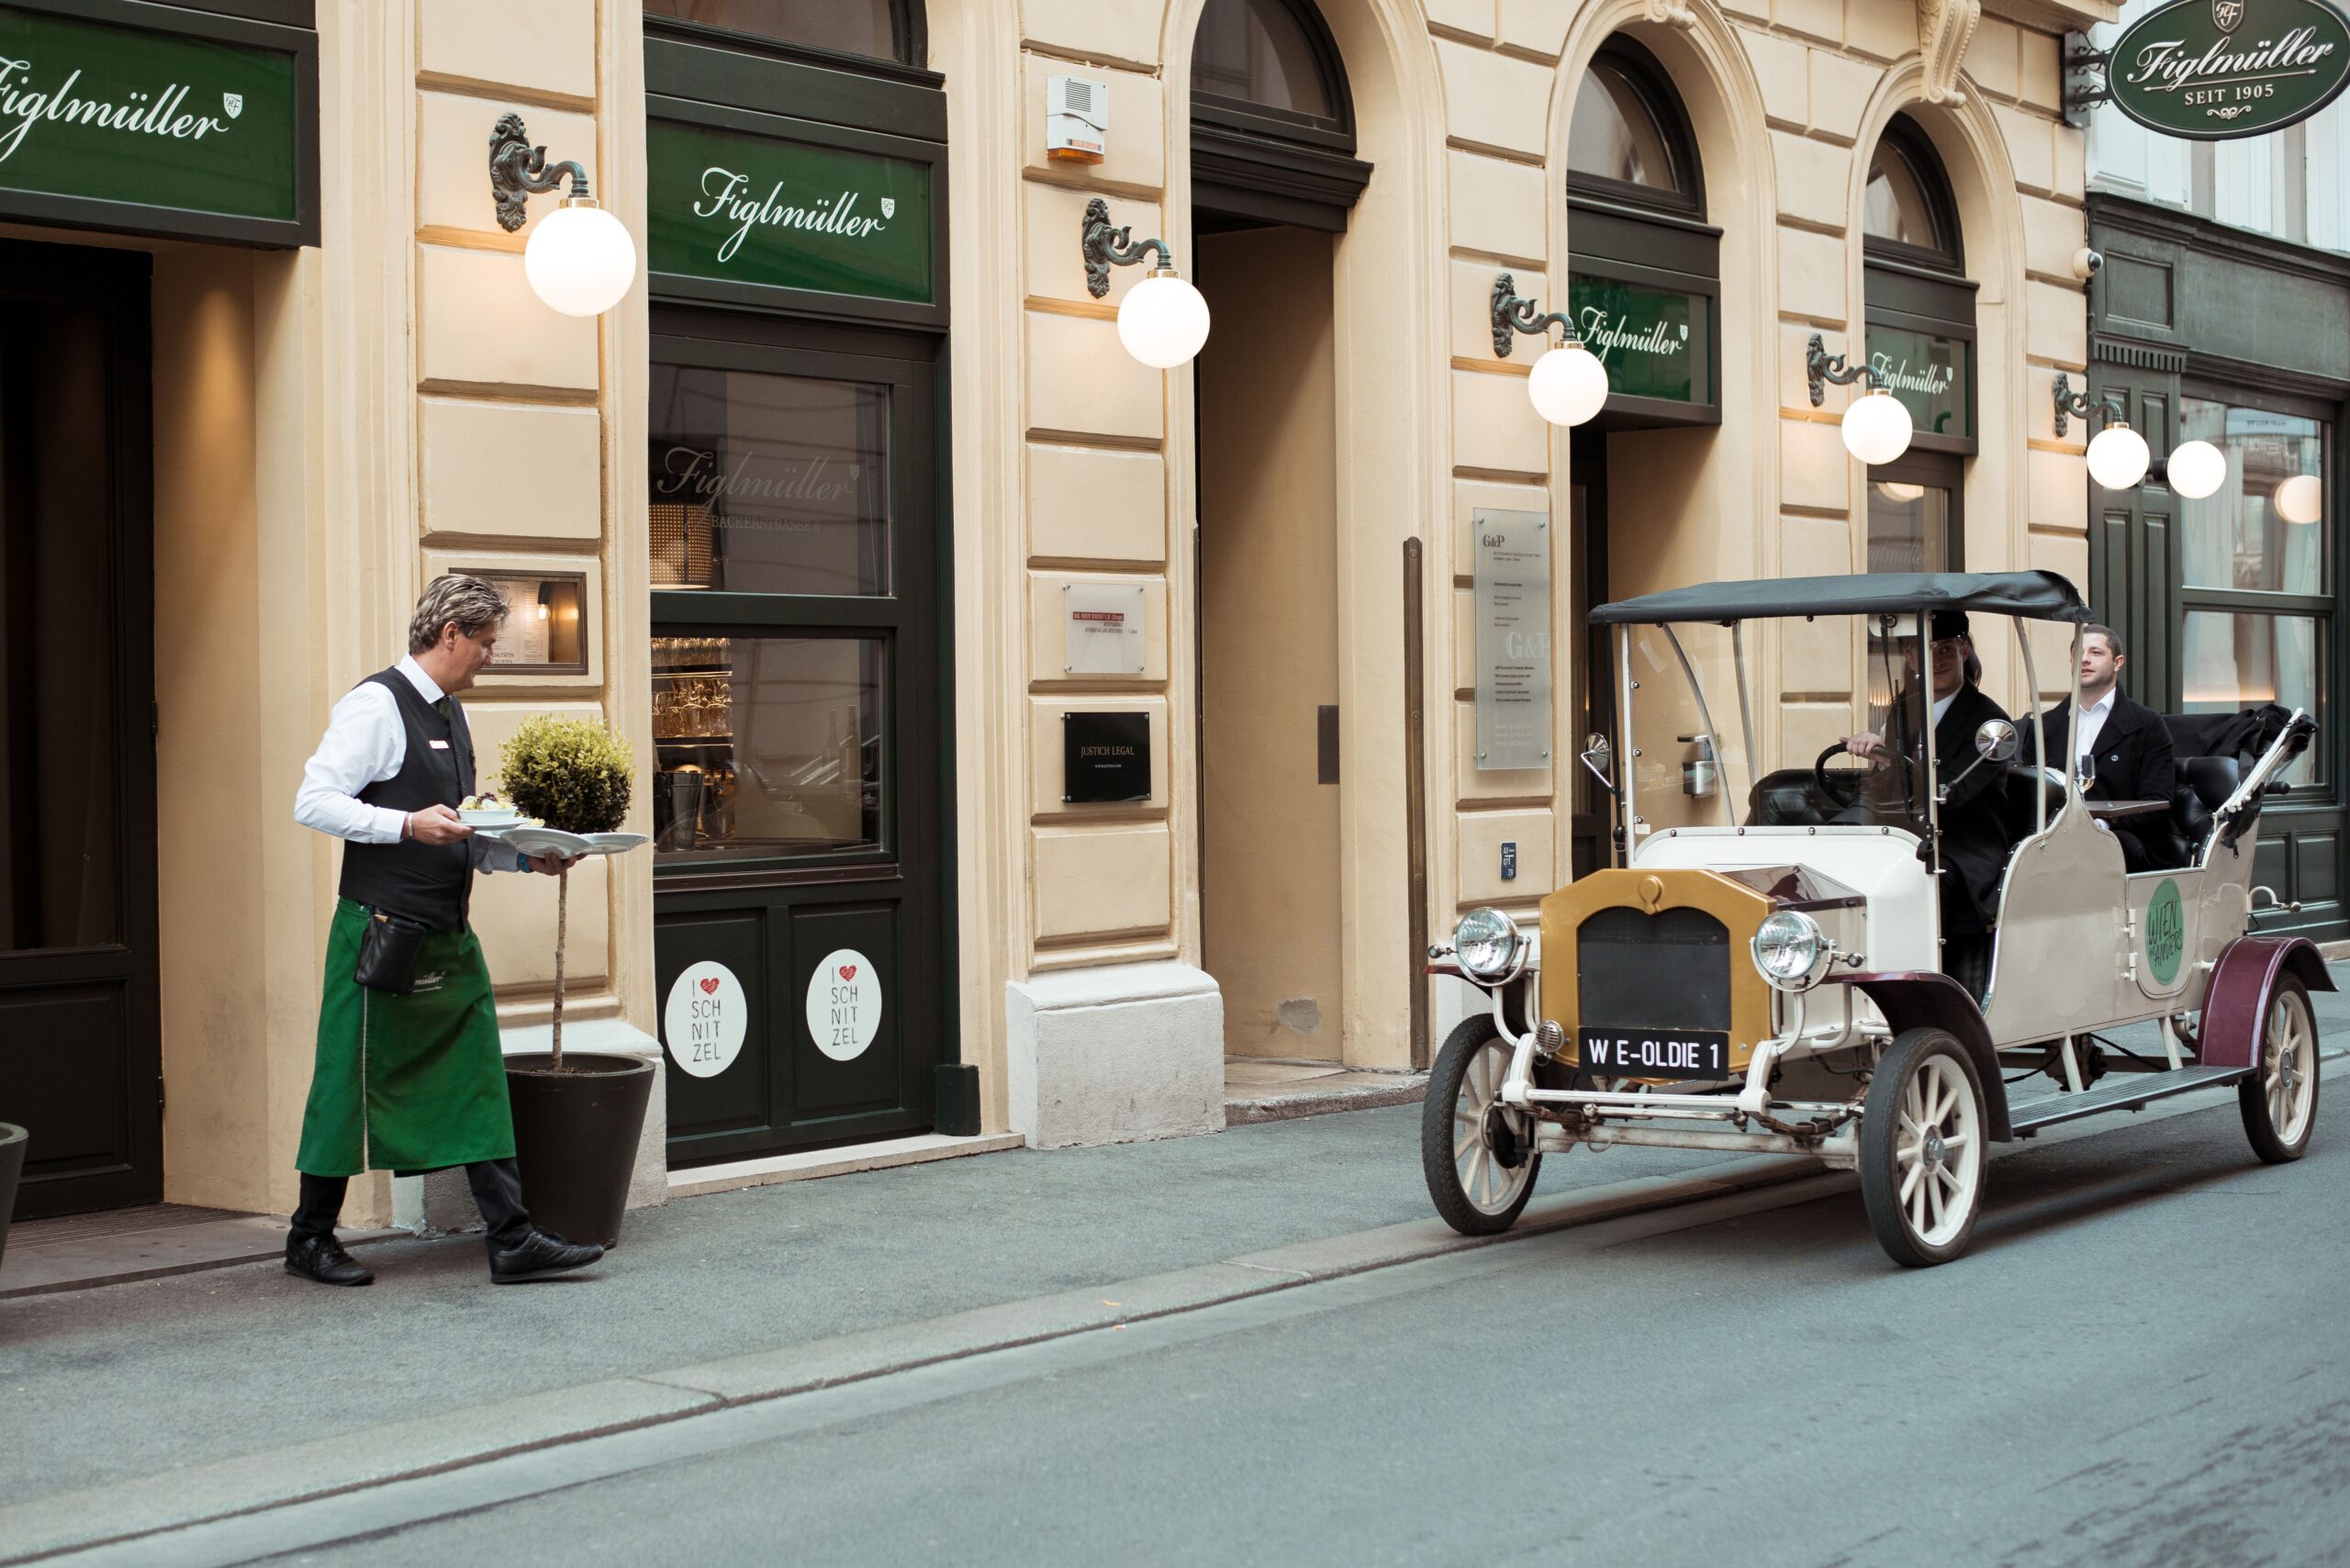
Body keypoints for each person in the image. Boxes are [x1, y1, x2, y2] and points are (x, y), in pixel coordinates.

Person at [284, 575, 605, 1287]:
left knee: (477, 1080)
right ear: (449, 634)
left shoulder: (452, 714)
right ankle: (309, 1238)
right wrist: (404, 823)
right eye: (486, 643)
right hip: (380, 933)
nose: (492, 655)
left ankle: (512, 1238)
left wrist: (527, 857)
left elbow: (459, 831)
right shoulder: (376, 706)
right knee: (347, 1082)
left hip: (447, 935)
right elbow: (314, 801)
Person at [1842, 610, 2012, 1001]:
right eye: (1925, 649)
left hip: (1965, 845)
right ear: (1911, 657)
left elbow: (1954, 794)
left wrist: (1891, 760)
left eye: (1947, 649)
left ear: (1964, 651)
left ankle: (1921, 992)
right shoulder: (1904, 710)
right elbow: (1888, 789)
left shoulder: (1990, 722)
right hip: (1906, 836)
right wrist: (1877, 757)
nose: (1936, 659)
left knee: (1923, 875)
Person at [2022, 622, 2177, 871]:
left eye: (2096, 653)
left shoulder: (2147, 724)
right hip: (2052, 840)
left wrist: (2099, 829)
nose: (2084, 660)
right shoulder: (2044, 726)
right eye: (2079, 653)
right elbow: (2031, 794)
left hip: (2122, 842)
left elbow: (2157, 803)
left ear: (2118, 662)